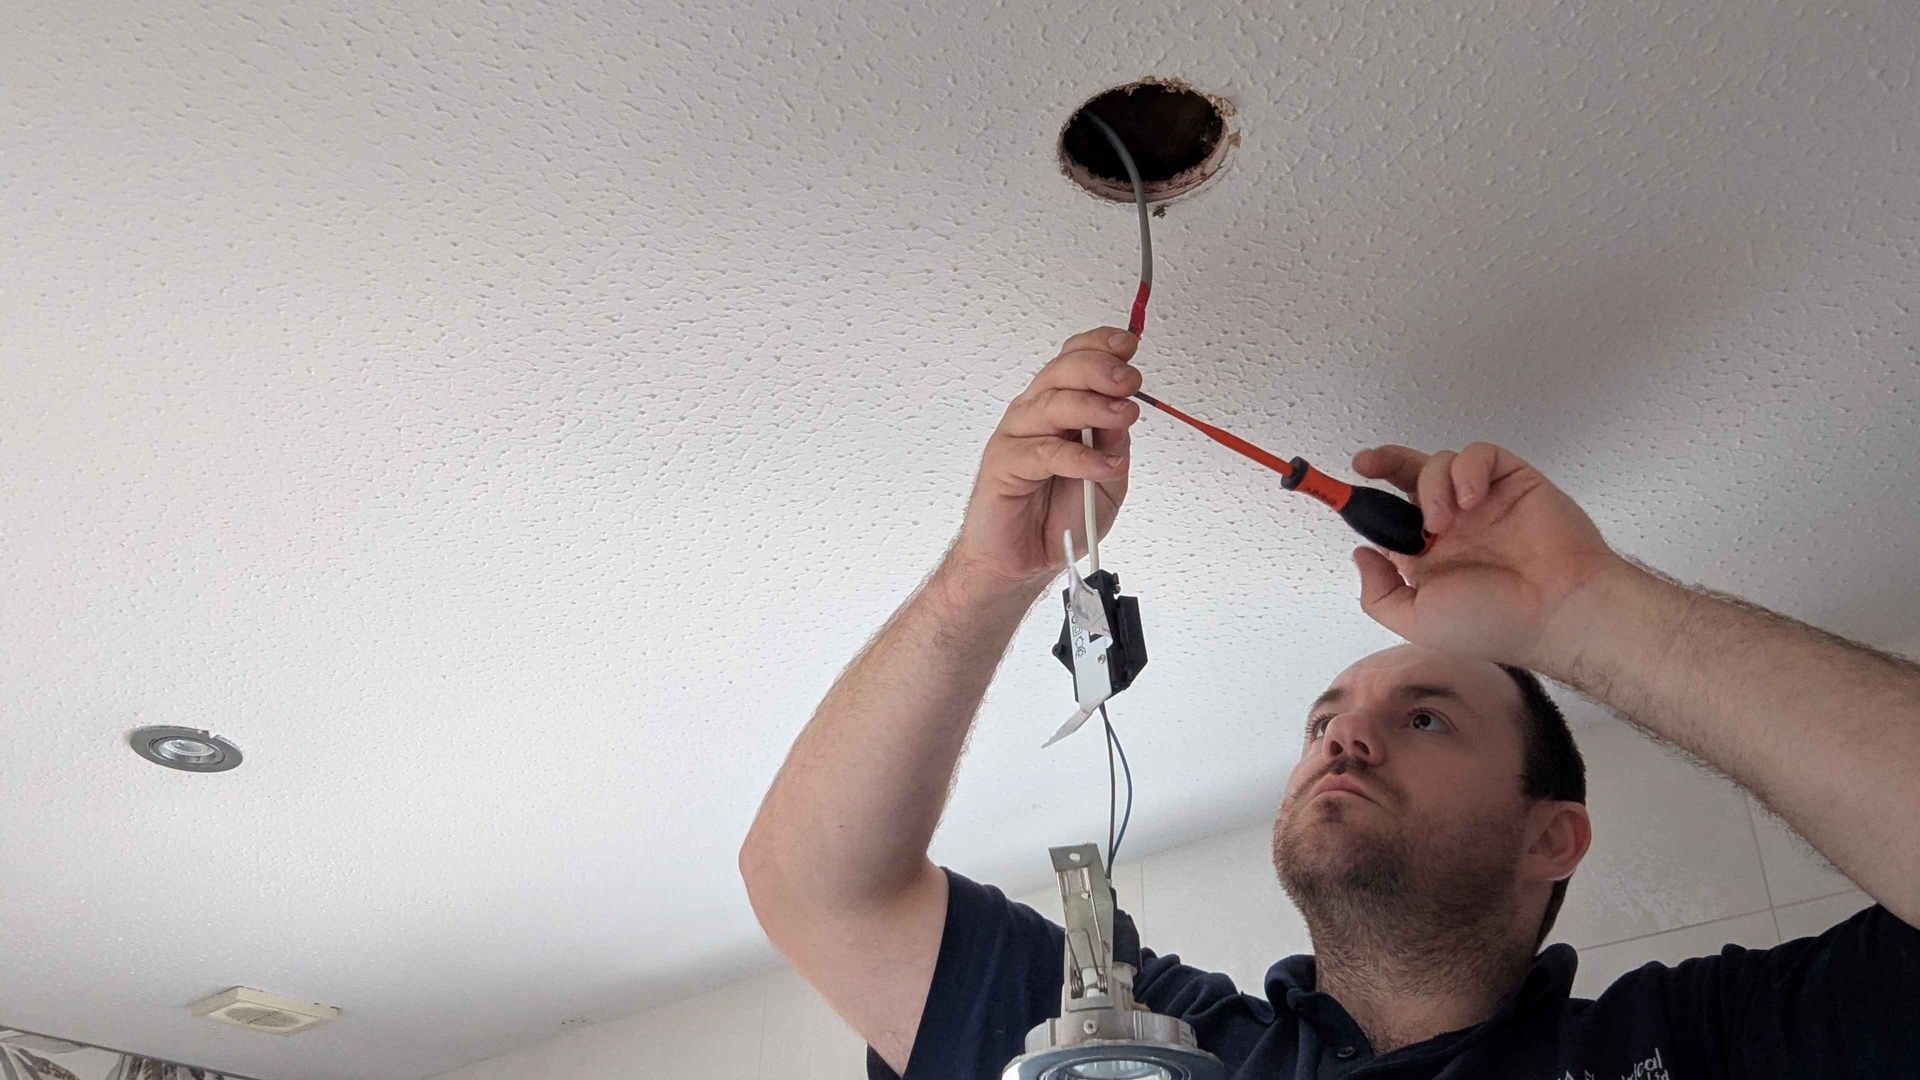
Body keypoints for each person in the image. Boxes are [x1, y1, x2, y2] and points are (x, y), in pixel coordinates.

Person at [737, 326, 1920, 1078]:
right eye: (1322, 722)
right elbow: (820, 892)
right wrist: (986, 575)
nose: (1341, 735)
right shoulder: (1152, 1048)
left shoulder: (1706, 1045)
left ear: (1548, 837)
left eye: (1426, 717)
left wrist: (1578, 608)